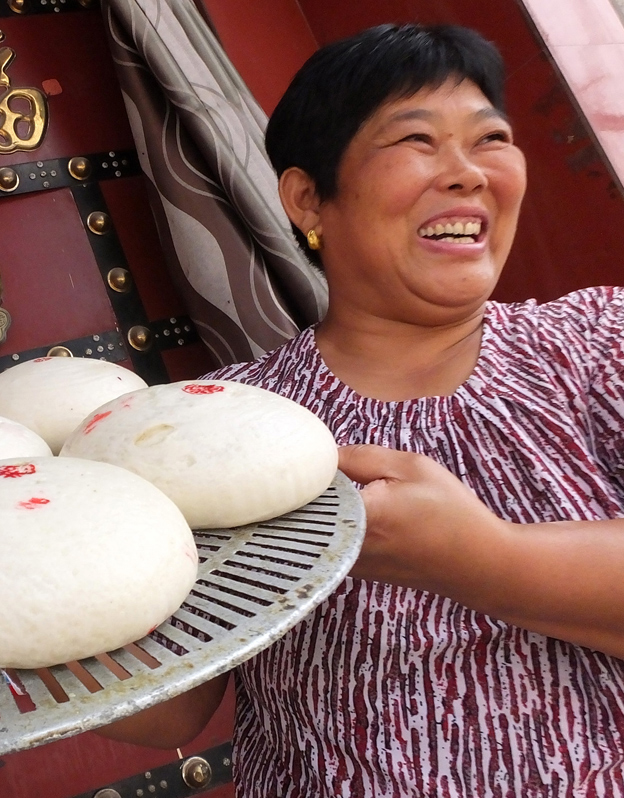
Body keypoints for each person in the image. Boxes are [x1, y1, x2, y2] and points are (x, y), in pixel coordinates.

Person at [98, 23, 624, 796]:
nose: (469, 173)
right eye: (417, 139)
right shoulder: (228, 423)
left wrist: (484, 561)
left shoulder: (600, 342)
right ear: (309, 196)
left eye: (492, 138)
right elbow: (169, 712)